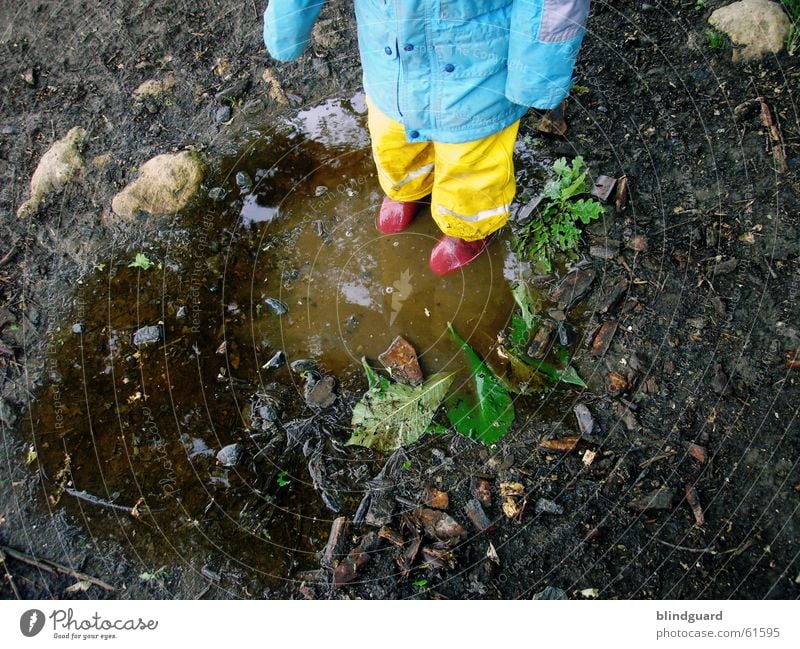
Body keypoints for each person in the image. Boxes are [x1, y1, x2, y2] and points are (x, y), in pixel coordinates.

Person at [263, 1, 589, 274]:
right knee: (392, 141)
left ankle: (469, 229)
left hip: (478, 66)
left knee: (472, 167)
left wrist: (535, 75)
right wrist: (287, 22)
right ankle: (408, 188)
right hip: (390, 66)